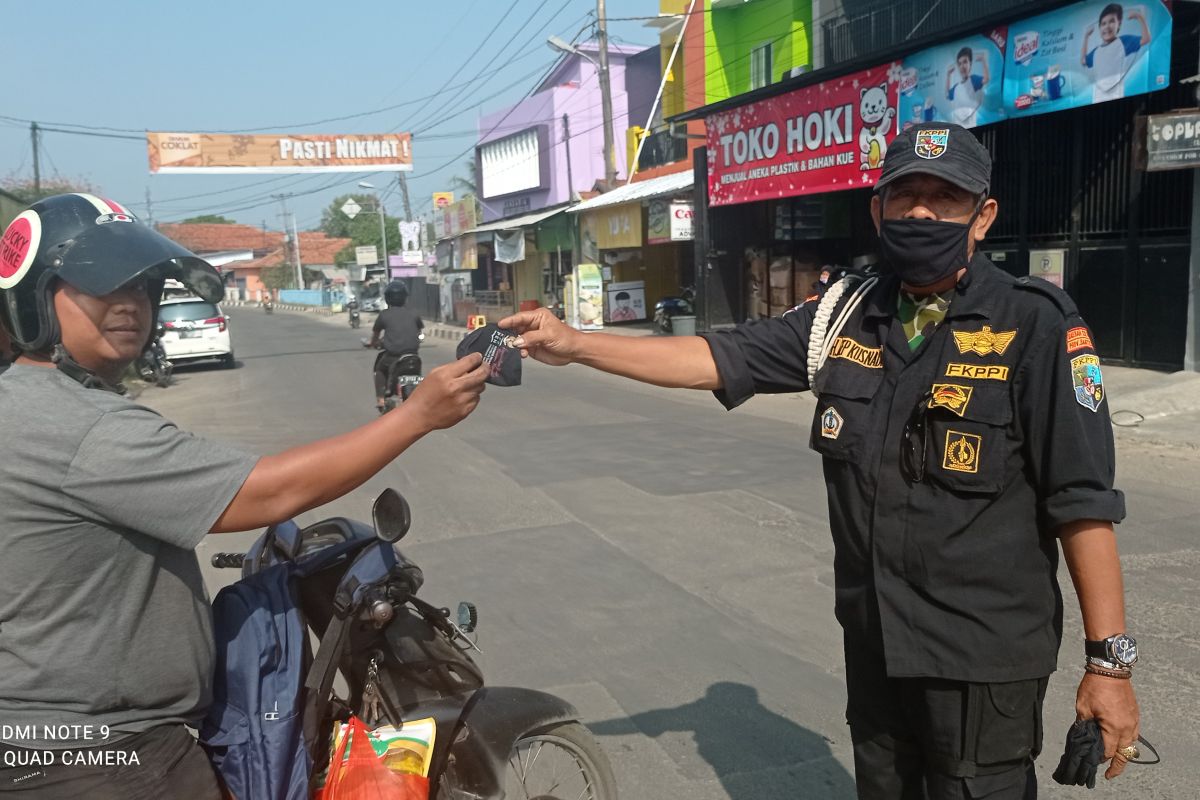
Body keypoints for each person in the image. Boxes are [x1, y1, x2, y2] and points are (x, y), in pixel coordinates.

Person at [500, 123, 1140, 799]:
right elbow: (720, 357)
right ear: (878, 210)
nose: (922, 212)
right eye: (906, 195)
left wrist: (1111, 666)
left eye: (945, 198)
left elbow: (1083, 503)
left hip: (981, 661)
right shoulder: (844, 313)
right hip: (877, 645)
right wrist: (576, 344)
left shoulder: (1036, 323)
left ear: (981, 217)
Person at [0, 194, 487, 799]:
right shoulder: (82, 427)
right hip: (104, 755)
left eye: (143, 286)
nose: (130, 304)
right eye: (101, 285)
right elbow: (267, 491)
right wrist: (417, 416)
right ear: (35, 300)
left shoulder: (20, 402)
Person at [366, 280, 423, 412]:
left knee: (380, 369)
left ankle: (380, 400)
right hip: (413, 357)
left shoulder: (384, 315)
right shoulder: (414, 313)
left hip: (393, 357)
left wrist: (372, 343)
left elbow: (375, 335)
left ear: (387, 298)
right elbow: (419, 331)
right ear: (405, 297)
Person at [1081, 3, 1151, 102]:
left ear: (1119, 24)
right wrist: (1086, 37)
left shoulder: (1123, 41)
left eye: (1112, 21)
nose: (1107, 27)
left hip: (1116, 97)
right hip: (1097, 99)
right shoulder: (1096, 51)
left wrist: (1139, 17)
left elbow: (1146, 39)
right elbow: (1083, 61)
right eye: (1103, 23)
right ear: (1099, 27)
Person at [945, 46, 989, 127]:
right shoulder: (956, 87)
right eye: (960, 63)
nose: (962, 66)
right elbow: (947, 95)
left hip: (972, 126)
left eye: (965, 62)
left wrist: (983, 61)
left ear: (970, 64)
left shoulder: (973, 80)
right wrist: (948, 76)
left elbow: (986, 79)